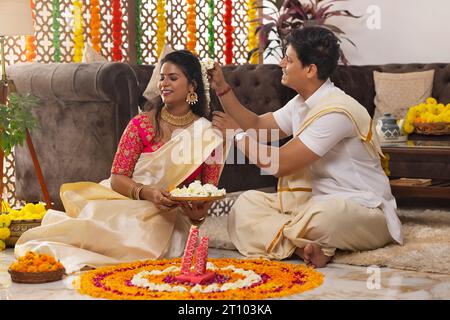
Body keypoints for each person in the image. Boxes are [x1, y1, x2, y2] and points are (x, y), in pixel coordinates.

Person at [15, 50, 226, 273]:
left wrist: (197, 215)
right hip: (129, 199)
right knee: (103, 223)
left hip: (170, 216)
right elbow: (117, 177)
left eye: (173, 78)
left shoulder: (208, 133)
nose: (164, 83)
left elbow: (207, 190)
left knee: (149, 231)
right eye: (162, 77)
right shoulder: (141, 125)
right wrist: (147, 193)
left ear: (192, 86)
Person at [209, 26, 403, 268]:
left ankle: (296, 239)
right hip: (311, 203)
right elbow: (258, 126)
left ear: (310, 70)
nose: (281, 63)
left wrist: (236, 136)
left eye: (288, 59)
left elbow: (281, 164)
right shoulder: (301, 103)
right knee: (244, 207)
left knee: (325, 217)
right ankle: (308, 246)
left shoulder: (336, 111)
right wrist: (222, 88)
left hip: (362, 209)